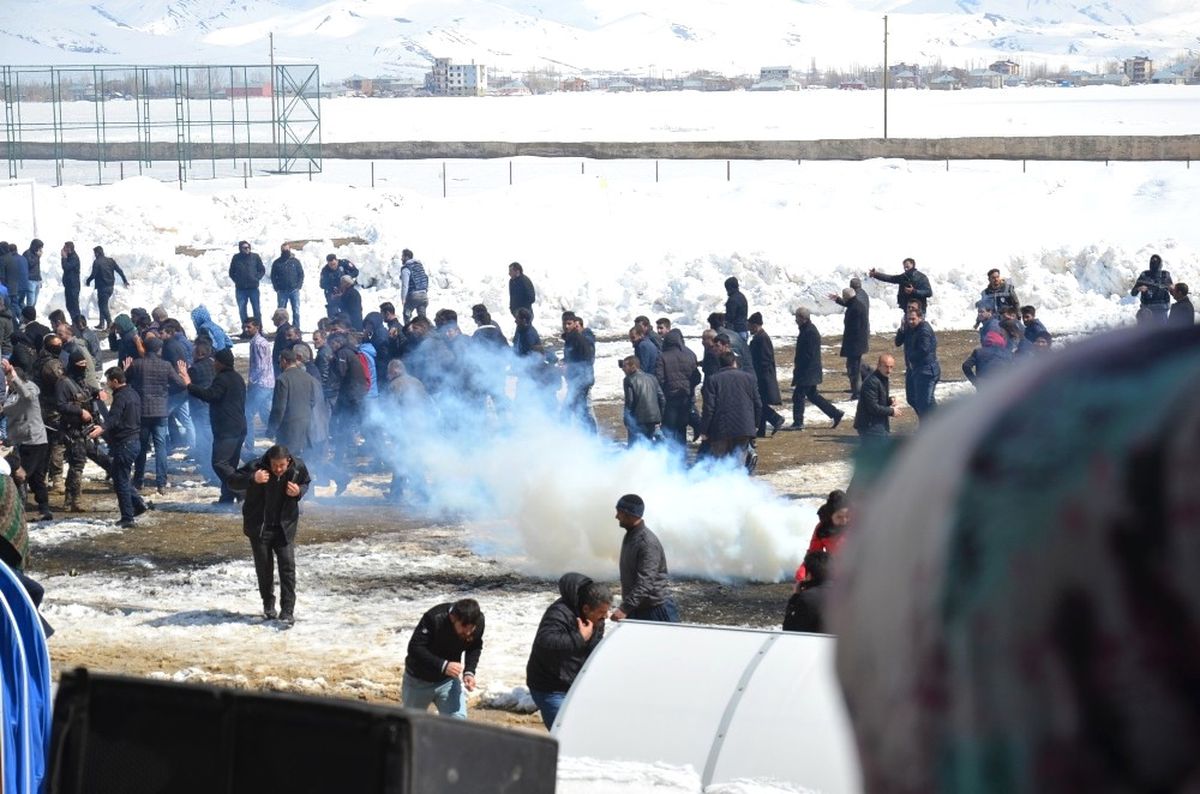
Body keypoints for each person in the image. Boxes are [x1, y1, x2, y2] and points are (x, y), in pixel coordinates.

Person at [226, 444, 310, 625]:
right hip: (260, 528)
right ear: (269, 462)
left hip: (284, 527)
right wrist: (252, 478)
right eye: (274, 465)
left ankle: (287, 610)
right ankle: (268, 604)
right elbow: (231, 481)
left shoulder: (298, 467)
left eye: (282, 466)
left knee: (287, 568)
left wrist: (299, 492)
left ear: (288, 461)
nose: (278, 469)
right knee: (264, 568)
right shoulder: (256, 466)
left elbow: (306, 482)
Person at [525, 574, 611, 730]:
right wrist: (579, 638)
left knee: (586, 730)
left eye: (607, 611)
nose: (606, 616)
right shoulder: (559, 613)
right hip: (550, 687)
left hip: (576, 683)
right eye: (602, 612)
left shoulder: (597, 618)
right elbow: (545, 640)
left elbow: (594, 646)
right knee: (564, 733)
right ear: (586, 609)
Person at [178, 347, 247, 505]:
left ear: (221, 363)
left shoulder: (222, 379)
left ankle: (243, 490)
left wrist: (189, 384)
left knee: (219, 463)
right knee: (230, 464)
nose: (213, 364)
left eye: (215, 361)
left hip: (227, 429)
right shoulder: (237, 377)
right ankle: (226, 498)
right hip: (239, 426)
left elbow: (210, 395)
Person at [402, 598, 485, 720]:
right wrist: (443, 665)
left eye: (471, 627)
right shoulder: (434, 617)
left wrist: (469, 671)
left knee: (458, 722)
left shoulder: (479, 621)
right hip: (418, 680)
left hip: (447, 681)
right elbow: (415, 648)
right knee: (411, 723)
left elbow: (475, 646)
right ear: (452, 618)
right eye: (463, 626)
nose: (468, 632)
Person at [126, 336, 185, 495]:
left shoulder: (137, 364)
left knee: (142, 447)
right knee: (161, 447)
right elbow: (181, 385)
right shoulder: (166, 365)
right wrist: (166, 391)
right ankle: (161, 483)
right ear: (159, 349)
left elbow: (126, 380)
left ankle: (138, 480)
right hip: (160, 411)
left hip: (142, 411)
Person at [92, 367, 149, 528]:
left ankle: (127, 517)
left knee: (121, 481)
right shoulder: (133, 393)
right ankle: (137, 504)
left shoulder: (121, 397)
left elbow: (114, 418)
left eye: (108, 381)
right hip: (134, 441)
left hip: (125, 443)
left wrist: (102, 429)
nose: (107, 384)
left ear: (115, 381)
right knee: (120, 476)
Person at [612, 493, 679, 623]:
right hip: (636, 608)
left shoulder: (647, 543)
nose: (616, 516)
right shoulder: (630, 535)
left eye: (619, 512)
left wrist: (624, 609)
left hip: (655, 611)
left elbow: (645, 582)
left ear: (629, 514)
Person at [2, 360, 52, 521]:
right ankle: (44, 509)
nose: (7, 383)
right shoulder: (13, 393)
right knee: (37, 478)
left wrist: (14, 377)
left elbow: (27, 397)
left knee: (20, 474)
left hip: (34, 441)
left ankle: (17, 510)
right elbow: (8, 410)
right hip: (22, 440)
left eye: (9, 380)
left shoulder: (29, 390)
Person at [788, 307, 845, 431]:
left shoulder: (810, 332)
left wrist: (800, 368)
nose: (796, 320)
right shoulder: (806, 329)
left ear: (803, 318)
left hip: (808, 371)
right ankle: (835, 413)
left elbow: (808, 354)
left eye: (797, 317)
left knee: (798, 396)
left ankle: (798, 422)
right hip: (808, 371)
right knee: (813, 396)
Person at [699, 351, 761, 462]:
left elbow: (709, 408)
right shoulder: (749, 378)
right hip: (744, 427)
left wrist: (704, 430)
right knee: (738, 464)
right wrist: (755, 424)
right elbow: (758, 404)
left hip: (720, 429)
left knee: (720, 464)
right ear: (734, 362)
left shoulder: (713, 380)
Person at [655, 328, 701, 447]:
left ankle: (668, 454)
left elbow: (659, 379)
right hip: (686, 397)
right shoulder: (690, 354)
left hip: (670, 399)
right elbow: (697, 377)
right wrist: (689, 387)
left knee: (668, 429)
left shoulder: (663, 357)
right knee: (681, 428)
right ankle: (681, 454)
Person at [267, 349, 319, 453]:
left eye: (280, 361)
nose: (279, 364)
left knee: (287, 458)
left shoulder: (282, 379)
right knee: (303, 458)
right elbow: (313, 401)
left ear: (284, 361)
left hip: (288, 429)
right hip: (306, 426)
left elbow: (279, 408)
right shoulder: (309, 377)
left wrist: (272, 429)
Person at [894, 307, 940, 421]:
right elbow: (898, 342)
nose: (910, 321)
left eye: (913, 319)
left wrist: (910, 357)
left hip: (926, 370)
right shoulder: (910, 328)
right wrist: (902, 328)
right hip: (914, 369)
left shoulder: (924, 330)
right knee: (913, 399)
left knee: (923, 403)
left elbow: (924, 349)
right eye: (908, 319)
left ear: (920, 318)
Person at [829, 280, 870, 400]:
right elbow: (849, 304)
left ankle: (858, 391)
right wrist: (837, 299)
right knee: (856, 365)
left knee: (854, 368)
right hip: (857, 342)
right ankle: (862, 385)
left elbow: (855, 329)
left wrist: (851, 345)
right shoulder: (855, 302)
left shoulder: (856, 307)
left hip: (856, 343)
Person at [747, 312, 785, 437]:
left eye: (750, 325)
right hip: (761, 376)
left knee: (759, 403)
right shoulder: (759, 337)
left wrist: (758, 373)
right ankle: (761, 430)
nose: (748, 328)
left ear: (755, 325)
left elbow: (765, 359)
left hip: (762, 377)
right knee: (760, 402)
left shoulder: (762, 338)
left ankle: (776, 419)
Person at [242, 317, 275, 459]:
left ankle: (249, 446)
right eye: (245, 327)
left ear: (257, 327)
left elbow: (260, 366)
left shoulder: (258, 343)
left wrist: (252, 381)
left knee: (248, 414)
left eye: (249, 327)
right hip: (267, 383)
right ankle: (280, 436)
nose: (246, 330)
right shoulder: (258, 342)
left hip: (261, 384)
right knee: (265, 414)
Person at [561, 312, 596, 432]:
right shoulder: (570, 338)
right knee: (576, 410)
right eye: (564, 324)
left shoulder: (578, 338)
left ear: (575, 324)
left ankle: (591, 436)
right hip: (575, 380)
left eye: (569, 323)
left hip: (581, 380)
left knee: (580, 410)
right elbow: (573, 357)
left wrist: (570, 367)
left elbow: (587, 359)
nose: (566, 326)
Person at [853, 354, 901, 442]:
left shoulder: (882, 378)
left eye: (891, 367)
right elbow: (872, 407)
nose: (889, 370)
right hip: (869, 426)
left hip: (877, 424)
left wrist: (890, 400)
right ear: (879, 366)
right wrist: (892, 411)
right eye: (886, 367)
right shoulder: (872, 382)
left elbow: (879, 399)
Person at [782, 550, 831, 634]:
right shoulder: (848, 594)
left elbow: (789, 629)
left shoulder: (807, 599)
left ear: (809, 575)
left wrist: (795, 597)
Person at [621, 356, 664, 445]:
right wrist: (659, 416)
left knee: (635, 446)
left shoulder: (629, 380)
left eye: (625, 366)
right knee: (648, 443)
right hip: (654, 418)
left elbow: (630, 401)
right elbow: (662, 398)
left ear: (633, 366)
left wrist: (626, 418)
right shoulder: (652, 377)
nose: (623, 369)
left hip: (638, 419)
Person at [85, 245, 129, 330]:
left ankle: (109, 323)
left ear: (97, 253)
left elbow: (93, 274)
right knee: (101, 304)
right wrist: (125, 280)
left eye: (95, 253)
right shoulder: (110, 260)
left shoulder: (97, 262)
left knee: (103, 306)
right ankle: (101, 323)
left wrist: (88, 281)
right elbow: (119, 270)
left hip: (102, 287)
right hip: (110, 287)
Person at [229, 241, 265, 326]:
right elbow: (231, 272)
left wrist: (257, 278)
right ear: (240, 249)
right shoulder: (236, 258)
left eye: (248, 247)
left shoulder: (255, 257)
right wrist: (237, 280)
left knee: (256, 310)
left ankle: (258, 328)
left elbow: (262, 269)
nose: (247, 249)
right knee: (242, 310)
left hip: (253, 288)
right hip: (241, 289)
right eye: (245, 248)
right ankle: (246, 329)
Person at [1131, 253, 1172, 326]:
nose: (1154, 265)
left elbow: (1173, 291)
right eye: (1152, 263)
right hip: (1147, 311)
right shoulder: (1144, 275)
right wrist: (1139, 288)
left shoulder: (1165, 275)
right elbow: (1133, 293)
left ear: (1160, 264)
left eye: (1156, 263)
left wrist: (1172, 288)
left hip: (1161, 311)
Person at [270, 243, 304, 329]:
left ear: (290, 250)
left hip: (294, 290)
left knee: (296, 310)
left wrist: (299, 286)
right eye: (284, 250)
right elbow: (273, 276)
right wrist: (276, 287)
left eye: (287, 250)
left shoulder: (295, 261)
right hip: (282, 291)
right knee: (281, 312)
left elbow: (301, 274)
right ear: (281, 251)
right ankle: (282, 328)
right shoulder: (277, 262)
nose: (285, 251)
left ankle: (296, 328)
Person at [319, 254, 358, 320]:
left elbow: (356, 271)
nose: (333, 266)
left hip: (346, 289)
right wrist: (332, 286)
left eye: (334, 264)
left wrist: (348, 276)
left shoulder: (344, 263)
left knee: (348, 309)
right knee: (333, 309)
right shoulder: (325, 270)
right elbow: (322, 284)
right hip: (334, 292)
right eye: (331, 265)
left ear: (337, 261)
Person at [399, 249, 429, 322]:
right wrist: (425, 291)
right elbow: (426, 278)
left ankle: (408, 329)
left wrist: (403, 299)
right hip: (424, 296)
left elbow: (405, 285)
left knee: (406, 315)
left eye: (402, 256)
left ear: (406, 257)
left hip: (413, 297)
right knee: (422, 319)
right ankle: (425, 329)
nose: (401, 258)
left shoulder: (406, 269)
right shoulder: (419, 266)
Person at [61, 242, 83, 323]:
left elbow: (66, 267)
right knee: (69, 305)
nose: (63, 249)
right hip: (68, 285)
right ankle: (74, 321)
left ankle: (78, 323)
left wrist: (64, 257)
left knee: (74, 305)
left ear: (69, 249)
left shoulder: (74, 258)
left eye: (65, 248)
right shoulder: (69, 257)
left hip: (74, 286)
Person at [724, 276, 749, 341]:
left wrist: (722, 318)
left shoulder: (732, 299)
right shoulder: (742, 296)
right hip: (744, 329)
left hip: (736, 331)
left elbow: (730, 316)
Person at [21, 238, 43, 310]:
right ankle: (28, 314)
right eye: (39, 248)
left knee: (35, 301)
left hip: (37, 280)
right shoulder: (27, 253)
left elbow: (37, 268)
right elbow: (30, 264)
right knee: (31, 301)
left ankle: (31, 313)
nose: (40, 250)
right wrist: (38, 257)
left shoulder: (36, 255)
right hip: (30, 280)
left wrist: (40, 279)